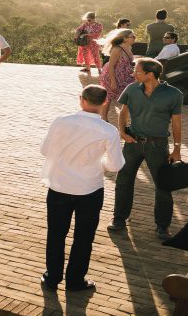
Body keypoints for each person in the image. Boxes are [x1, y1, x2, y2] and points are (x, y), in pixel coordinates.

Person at [39, 85, 125, 292]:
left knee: (56, 234)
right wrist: (99, 165)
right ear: (105, 102)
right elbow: (115, 165)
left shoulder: (61, 122)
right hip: (90, 188)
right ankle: (75, 281)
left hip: (59, 186)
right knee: (84, 237)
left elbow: (44, 150)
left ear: (81, 99)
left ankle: (52, 278)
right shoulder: (109, 131)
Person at [109, 58, 184, 241]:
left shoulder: (174, 94)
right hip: (133, 143)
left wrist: (177, 149)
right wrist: (122, 132)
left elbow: (176, 123)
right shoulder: (132, 89)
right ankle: (119, 220)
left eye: (137, 71)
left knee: (163, 186)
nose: (133, 74)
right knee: (123, 181)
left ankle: (162, 226)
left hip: (157, 145)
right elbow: (124, 111)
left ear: (150, 74)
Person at [99, 29, 136, 122]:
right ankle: (104, 119)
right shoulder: (117, 49)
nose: (134, 38)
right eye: (133, 37)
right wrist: (113, 82)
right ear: (125, 38)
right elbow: (111, 66)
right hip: (113, 75)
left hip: (125, 77)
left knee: (127, 98)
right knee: (108, 98)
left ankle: (125, 120)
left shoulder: (129, 48)